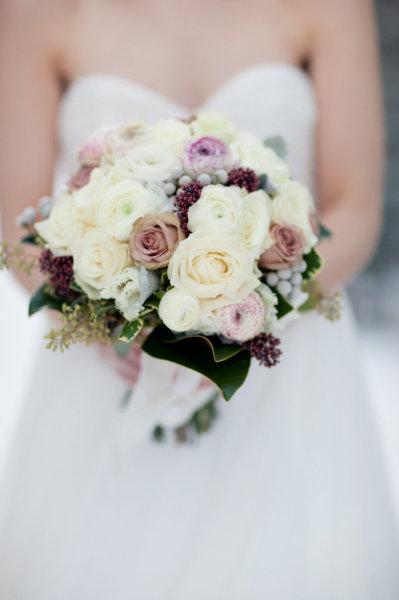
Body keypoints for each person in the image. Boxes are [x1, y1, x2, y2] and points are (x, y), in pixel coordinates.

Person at [0, 1, 398, 598]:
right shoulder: (34, 11)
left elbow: (356, 208)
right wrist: (107, 321)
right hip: (105, 377)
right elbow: (15, 229)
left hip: (290, 375)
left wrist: (253, 312)